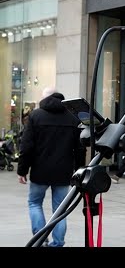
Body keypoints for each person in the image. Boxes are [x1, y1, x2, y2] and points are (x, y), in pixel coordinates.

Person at [17, 87, 86, 247]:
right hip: (63, 172)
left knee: (34, 203)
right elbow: (80, 148)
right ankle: (58, 243)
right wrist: (79, 169)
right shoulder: (72, 117)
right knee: (60, 209)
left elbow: (26, 146)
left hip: (39, 171)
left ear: (45, 98)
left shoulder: (36, 116)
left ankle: (40, 241)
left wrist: (22, 170)